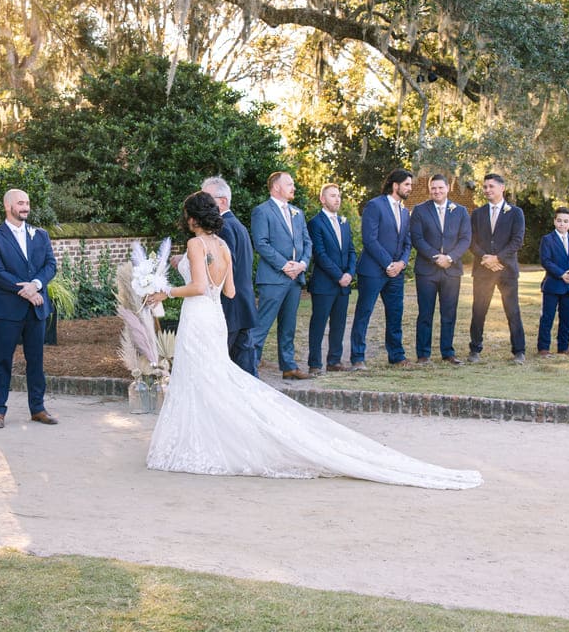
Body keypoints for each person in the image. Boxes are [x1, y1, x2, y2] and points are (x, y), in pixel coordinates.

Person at [143, 192, 481, 489]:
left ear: (191, 218)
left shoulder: (196, 244)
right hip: (215, 317)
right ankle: (209, 439)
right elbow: (228, 290)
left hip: (199, 317)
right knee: (214, 379)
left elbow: (199, 288)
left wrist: (165, 292)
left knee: (200, 380)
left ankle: (200, 443)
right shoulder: (224, 246)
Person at [0, 189, 59, 429]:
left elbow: (50, 265)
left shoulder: (41, 235)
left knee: (36, 360)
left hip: (36, 309)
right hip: (7, 309)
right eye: (20, 203)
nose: (25, 207)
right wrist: (25, 291)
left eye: (27, 203)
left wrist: (36, 285)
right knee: (2, 360)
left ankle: (37, 408)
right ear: (8, 206)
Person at [250, 171, 313, 379]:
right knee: (262, 325)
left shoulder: (298, 212)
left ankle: (289, 366)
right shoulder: (262, 211)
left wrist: (302, 264)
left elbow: (307, 242)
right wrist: (285, 265)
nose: (293, 187)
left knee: (288, 326)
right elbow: (261, 243)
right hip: (273, 279)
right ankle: (250, 366)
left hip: (295, 279)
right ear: (276, 187)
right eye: (290, 184)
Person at [350, 168, 414, 368]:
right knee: (364, 313)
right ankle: (358, 357)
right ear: (395, 185)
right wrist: (388, 264)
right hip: (372, 271)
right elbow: (369, 239)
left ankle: (396, 356)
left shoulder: (405, 212)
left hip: (396, 274)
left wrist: (401, 264)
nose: (410, 188)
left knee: (395, 314)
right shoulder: (375, 205)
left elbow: (407, 243)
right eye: (407, 184)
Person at [410, 174, 472, 365]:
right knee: (425, 313)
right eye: (433, 188)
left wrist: (450, 258)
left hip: (451, 271)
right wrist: (436, 257)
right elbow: (417, 238)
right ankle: (423, 354)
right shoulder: (420, 210)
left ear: (448, 188)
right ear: (430, 189)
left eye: (440, 188)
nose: (437, 191)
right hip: (427, 270)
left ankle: (448, 352)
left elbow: (465, 239)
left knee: (449, 313)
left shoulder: (460, 211)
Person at [201, 176, 257, 376]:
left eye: (207, 199)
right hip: (243, 305)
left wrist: (196, 260)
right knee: (246, 370)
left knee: (221, 366)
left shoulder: (223, 226)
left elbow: (225, 266)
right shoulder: (238, 225)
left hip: (229, 306)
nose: (204, 204)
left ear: (222, 201)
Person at [468, 173, 526, 363]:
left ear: (502, 188)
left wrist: (497, 258)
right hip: (483, 269)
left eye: (491, 186)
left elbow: (517, 241)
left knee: (512, 310)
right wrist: (485, 257)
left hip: (506, 269)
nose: (487, 190)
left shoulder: (515, 213)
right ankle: (475, 349)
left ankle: (519, 351)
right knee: (478, 310)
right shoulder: (477, 213)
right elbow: (471, 241)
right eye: (485, 187)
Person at [307, 184, 357, 374]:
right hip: (324, 284)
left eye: (339, 196)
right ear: (323, 199)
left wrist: (349, 274)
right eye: (332, 196)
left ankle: (334, 361)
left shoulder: (344, 222)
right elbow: (319, 254)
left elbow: (351, 250)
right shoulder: (315, 223)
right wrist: (338, 276)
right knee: (318, 324)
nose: (337, 199)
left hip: (343, 284)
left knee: (339, 323)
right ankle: (315, 364)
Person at [537, 207, 569, 357]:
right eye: (559, 221)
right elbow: (546, 261)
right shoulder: (547, 239)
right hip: (552, 285)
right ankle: (543, 348)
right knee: (548, 317)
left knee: (566, 318)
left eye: (565, 221)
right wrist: (561, 274)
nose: (562, 224)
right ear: (554, 221)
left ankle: (563, 348)